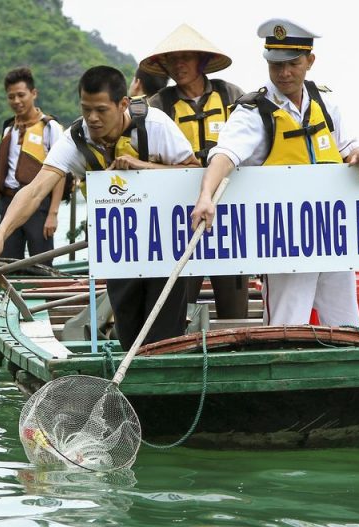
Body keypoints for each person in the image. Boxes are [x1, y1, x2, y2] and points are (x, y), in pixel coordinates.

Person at [0, 66, 199, 349]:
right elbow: (34, 191)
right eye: (86, 109)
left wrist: (143, 166)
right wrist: (0, 234)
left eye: (101, 110)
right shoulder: (75, 138)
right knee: (129, 331)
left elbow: (194, 171)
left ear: (122, 104)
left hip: (165, 244)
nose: (92, 118)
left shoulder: (155, 126)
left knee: (164, 335)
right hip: (120, 247)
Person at [191, 18, 359, 326]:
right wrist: (205, 195)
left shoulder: (325, 102)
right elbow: (224, 155)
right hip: (286, 244)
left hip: (332, 235)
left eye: (292, 63)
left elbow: (349, 147)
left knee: (348, 325)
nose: (284, 73)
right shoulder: (254, 111)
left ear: (310, 61)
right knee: (286, 326)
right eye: (276, 65)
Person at [140, 23, 250, 321]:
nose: (179, 65)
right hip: (179, 213)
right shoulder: (157, 105)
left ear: (201, 61)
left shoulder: (231, 95)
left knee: (234, 303)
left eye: (186, 58)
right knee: (180, 301)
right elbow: (145, 153)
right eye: (172, 60)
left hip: (230, 210)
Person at [0, 67, 65, 265]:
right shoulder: (8, 128)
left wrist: (52, 214)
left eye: (21, 95)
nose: (16, 101)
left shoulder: (50, 127)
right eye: (11, 96)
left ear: (34, 93)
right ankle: (10, 296)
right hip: (8, 204)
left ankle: (48, 295)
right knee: (7, 263)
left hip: (39, 205)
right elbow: (9, 176)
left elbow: (60, 173)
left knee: (42, 264)